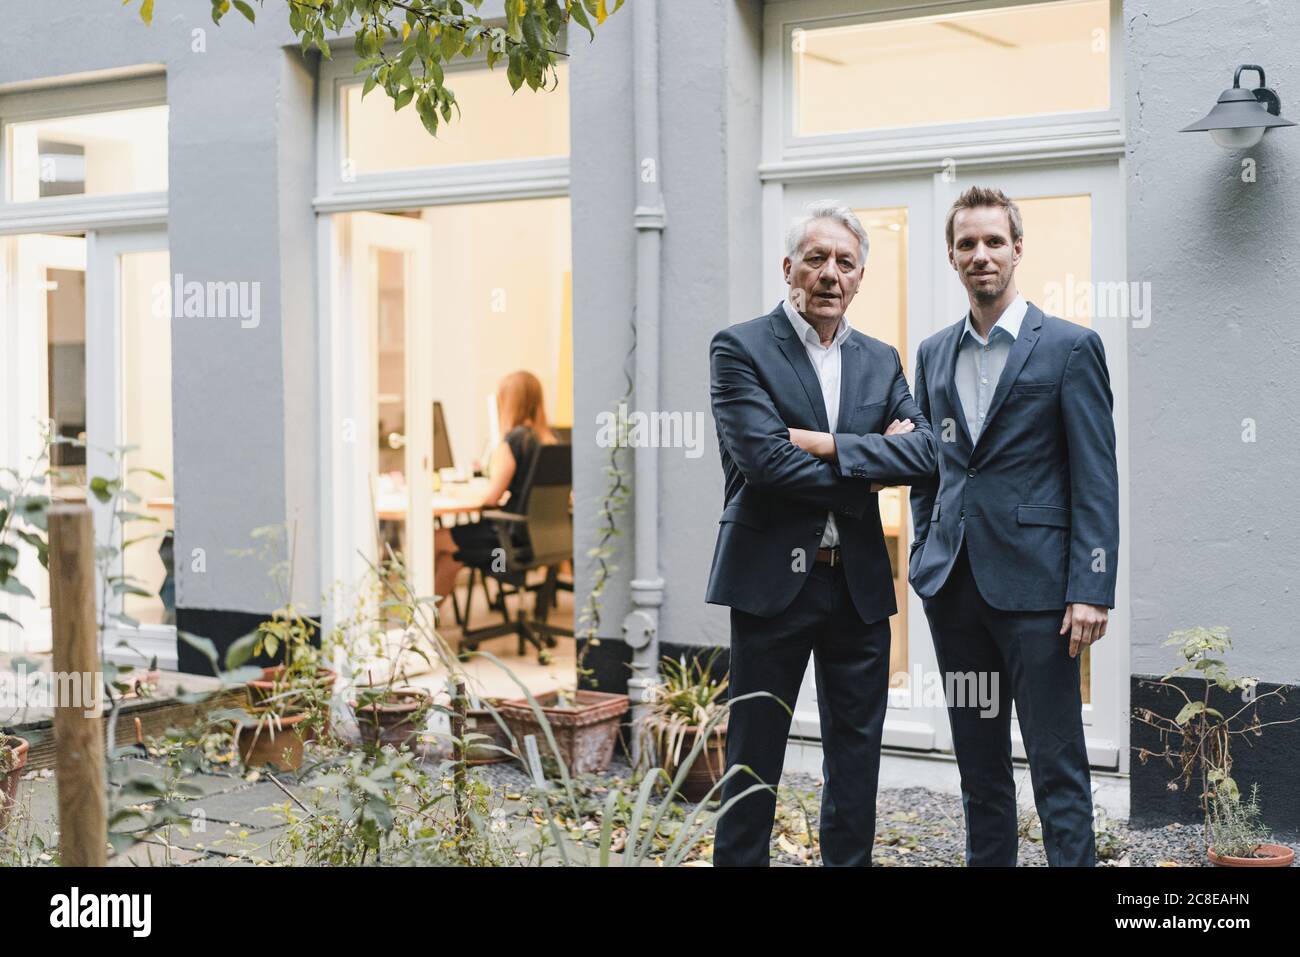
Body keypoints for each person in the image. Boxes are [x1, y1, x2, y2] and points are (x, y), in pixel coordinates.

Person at [707, 200, 936, 866]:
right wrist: (869, 463)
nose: (830, 273)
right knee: (753, 760)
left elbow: (925, 455)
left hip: (857, 584)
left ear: (860, 276)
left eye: (845, 261)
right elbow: (764, 461)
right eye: (816, 258)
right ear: (788, 268)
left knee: (857, 761)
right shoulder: (740, 347)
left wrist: (824, 445)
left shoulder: (879, 357)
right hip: (770, 581)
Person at [908, 185, 1119, 867]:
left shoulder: (1068, 347)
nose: (981, 254)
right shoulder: (934, 353)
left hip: (1040, 597)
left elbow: (1095, 474)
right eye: (967, 243)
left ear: (1018, 249)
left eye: (994, 241)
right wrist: (924, 551)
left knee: (1058, 765)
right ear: (951, 254)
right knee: (979, 766)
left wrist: (1092, 585)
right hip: (956, 591)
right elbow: (930, 468)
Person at [434, 370, 558, 621]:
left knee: (435, 540)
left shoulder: (514, 441)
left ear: (508, 402)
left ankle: (419, 621)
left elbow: (491, 499)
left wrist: (457, 491)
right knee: (450, 558)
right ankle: (425, 620)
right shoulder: (548, 441)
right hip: (537, 543)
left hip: (503, 547)